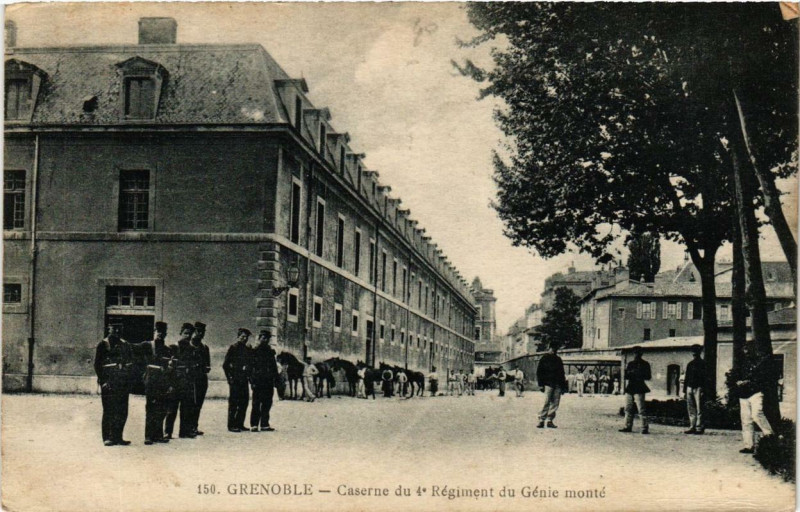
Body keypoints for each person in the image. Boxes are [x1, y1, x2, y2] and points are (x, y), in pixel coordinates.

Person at [94, 323, 134, 446]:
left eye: (119, 328)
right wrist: (103, 381)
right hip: (109, 382)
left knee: (122, 411)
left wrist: (128, 379)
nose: (117, 330)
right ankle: (107, 437)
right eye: (114, 328)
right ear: (109, 328)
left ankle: (118, 437)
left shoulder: (125, 345)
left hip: (122, 382)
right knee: (109, 410)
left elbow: (130, 363)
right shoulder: (103, 344)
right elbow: (97, 365)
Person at [734, 343, 775, 454]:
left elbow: (763, 379)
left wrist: (748, 382)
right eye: (745, 350)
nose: (746, 352)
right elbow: (736, 375)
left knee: (757, 414)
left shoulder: (761, 363)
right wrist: (738, 381)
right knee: (746, 420)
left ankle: (770, 435)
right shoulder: (743, 364)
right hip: (743, 394)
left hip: (756, 392)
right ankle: (749, 446)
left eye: (748, 350)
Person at [142, 321, 174, 445]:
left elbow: (171, 368)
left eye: (162, 333)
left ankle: (158, 435)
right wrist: (143, 374)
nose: (160, 335)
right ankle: (148, 436)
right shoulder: (147, 346)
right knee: (150, 408)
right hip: (151, 382)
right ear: (154, 332)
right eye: (158, 332)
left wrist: (170, 384)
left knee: (162, 408)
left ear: (165, 334)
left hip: (163, 382)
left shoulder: (167, 350)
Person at [165, 323, 198, 439]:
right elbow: (169, 367)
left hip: (187, 383)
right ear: (180, 333)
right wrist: (169, 384)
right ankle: (168, 432)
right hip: (175, 382)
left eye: (190, 334)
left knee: (186, 409)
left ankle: (184, 432)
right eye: (185, 333)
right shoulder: (173, 348)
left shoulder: (193, 349)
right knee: (171, 409)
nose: (188, 336)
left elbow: (195, 367)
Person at [249, 331, 278, 431]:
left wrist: (276, 379)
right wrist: (252, 381)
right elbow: (251, 367)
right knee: (256, 403)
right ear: (259, 338)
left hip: (268, 381)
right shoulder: (254, 351)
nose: (265, 340)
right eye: (263, 338)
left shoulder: (270, 352)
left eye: (267, 338)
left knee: (267, 403)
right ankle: (254, 425)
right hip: (258, 381)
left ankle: (265, 424)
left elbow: (274, 367)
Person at [223, 328, 251, 432]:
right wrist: (229, 378)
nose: (244, 339)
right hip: (235, 379)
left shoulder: (247, 349)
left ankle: (240, 424)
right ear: (238, 337)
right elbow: (225, 365)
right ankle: (231, 425)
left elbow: (250, 364)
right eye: (242, 337)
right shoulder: (233, 348)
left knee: (244, 402)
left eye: (246, 337)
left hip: (244, 379)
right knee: (234, 403)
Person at [620, 346, 651, 434]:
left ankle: (644, 427)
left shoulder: (645, 364)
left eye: (638, 353)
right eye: (635, 353)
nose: (636, 355)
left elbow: (648, 376)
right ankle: (627, 426)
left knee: (641, 409)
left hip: (639, 387)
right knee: (628, 408)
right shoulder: (630, 364)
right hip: (630, 387)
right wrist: (631, 373)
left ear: (641, 354)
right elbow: (626, 376)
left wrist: (636, 374)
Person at [536, 342, 568, 428]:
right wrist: (541, 384)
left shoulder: (558, 359)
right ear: (549, 348)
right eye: (553, 349)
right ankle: (541, 420)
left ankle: (550, 420)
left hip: (557, 384)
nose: (554, 351)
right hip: (548, 383)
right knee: (546, 402)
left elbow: (562, 373)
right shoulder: (544, 358)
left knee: (555, 403)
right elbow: (539, 372)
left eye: (556, 349)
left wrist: (563, 386)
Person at [189, 321, 211, 436]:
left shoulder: (204, 348)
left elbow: (208, 364)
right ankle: (188, 427)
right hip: (191, 379)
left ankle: (194, 426)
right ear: (194, 332)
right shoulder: (189, 346)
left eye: (202, 332)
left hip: (202, 379)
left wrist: (207, 367)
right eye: (198, 331)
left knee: (198, 404)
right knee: (191, 404)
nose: (201, 334)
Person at [683, 344, 706, 435]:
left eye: (696, 351)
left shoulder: (703, 364)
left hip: (698, 388)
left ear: (699, 352)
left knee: (699, 408)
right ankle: (692, 426)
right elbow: (686, 377)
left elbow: (705, 378)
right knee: (691, 408)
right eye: (693, 351)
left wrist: (703, 389)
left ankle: (699, 427)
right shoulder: (690, 364)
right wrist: (685, 390)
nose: (694, 353)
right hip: (689, 387)